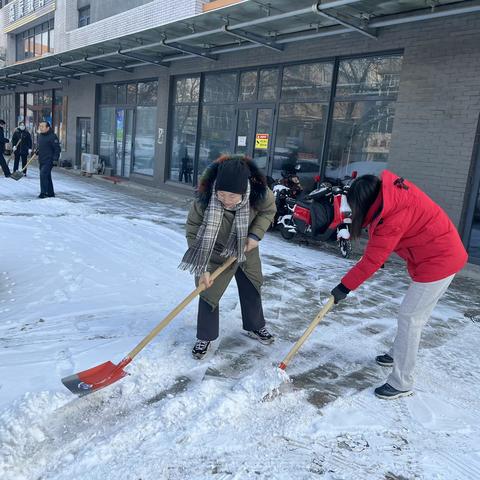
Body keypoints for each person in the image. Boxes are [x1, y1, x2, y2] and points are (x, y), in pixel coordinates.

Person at [330, 170, 468, 399]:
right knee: (414, 316)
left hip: (440, 261)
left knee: (410, 318)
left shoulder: (391, 216)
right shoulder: (391, 197)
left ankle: (402, 382)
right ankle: (397, 353)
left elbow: (373, 260)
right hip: (437, 255)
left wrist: (344, 287)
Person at [180, 154, 277, 359]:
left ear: (244, 191)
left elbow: (268, 211)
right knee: (208, 290)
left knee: (252, 285)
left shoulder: (260, 194)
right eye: (222, 194)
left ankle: (255, 326)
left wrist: (255, 235)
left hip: (245, 247)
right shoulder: (205, 198)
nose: (226, 200)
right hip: (212, 250)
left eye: (233, 196)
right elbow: (192, 230)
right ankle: (205, 336)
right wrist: (203, 267)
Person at [37, 121, 60, 199]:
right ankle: (50, 193)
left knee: (43, 175)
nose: (41, 128)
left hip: (49, 160)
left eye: (42, 126)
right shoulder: (40, 136)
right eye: (40, 126)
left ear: (48, 128)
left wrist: (55, 159)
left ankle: (43, 193)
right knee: (47, 176)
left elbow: (57, 149)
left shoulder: (52, 136)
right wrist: (37, 151)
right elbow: (41, 146)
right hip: (41, 160)